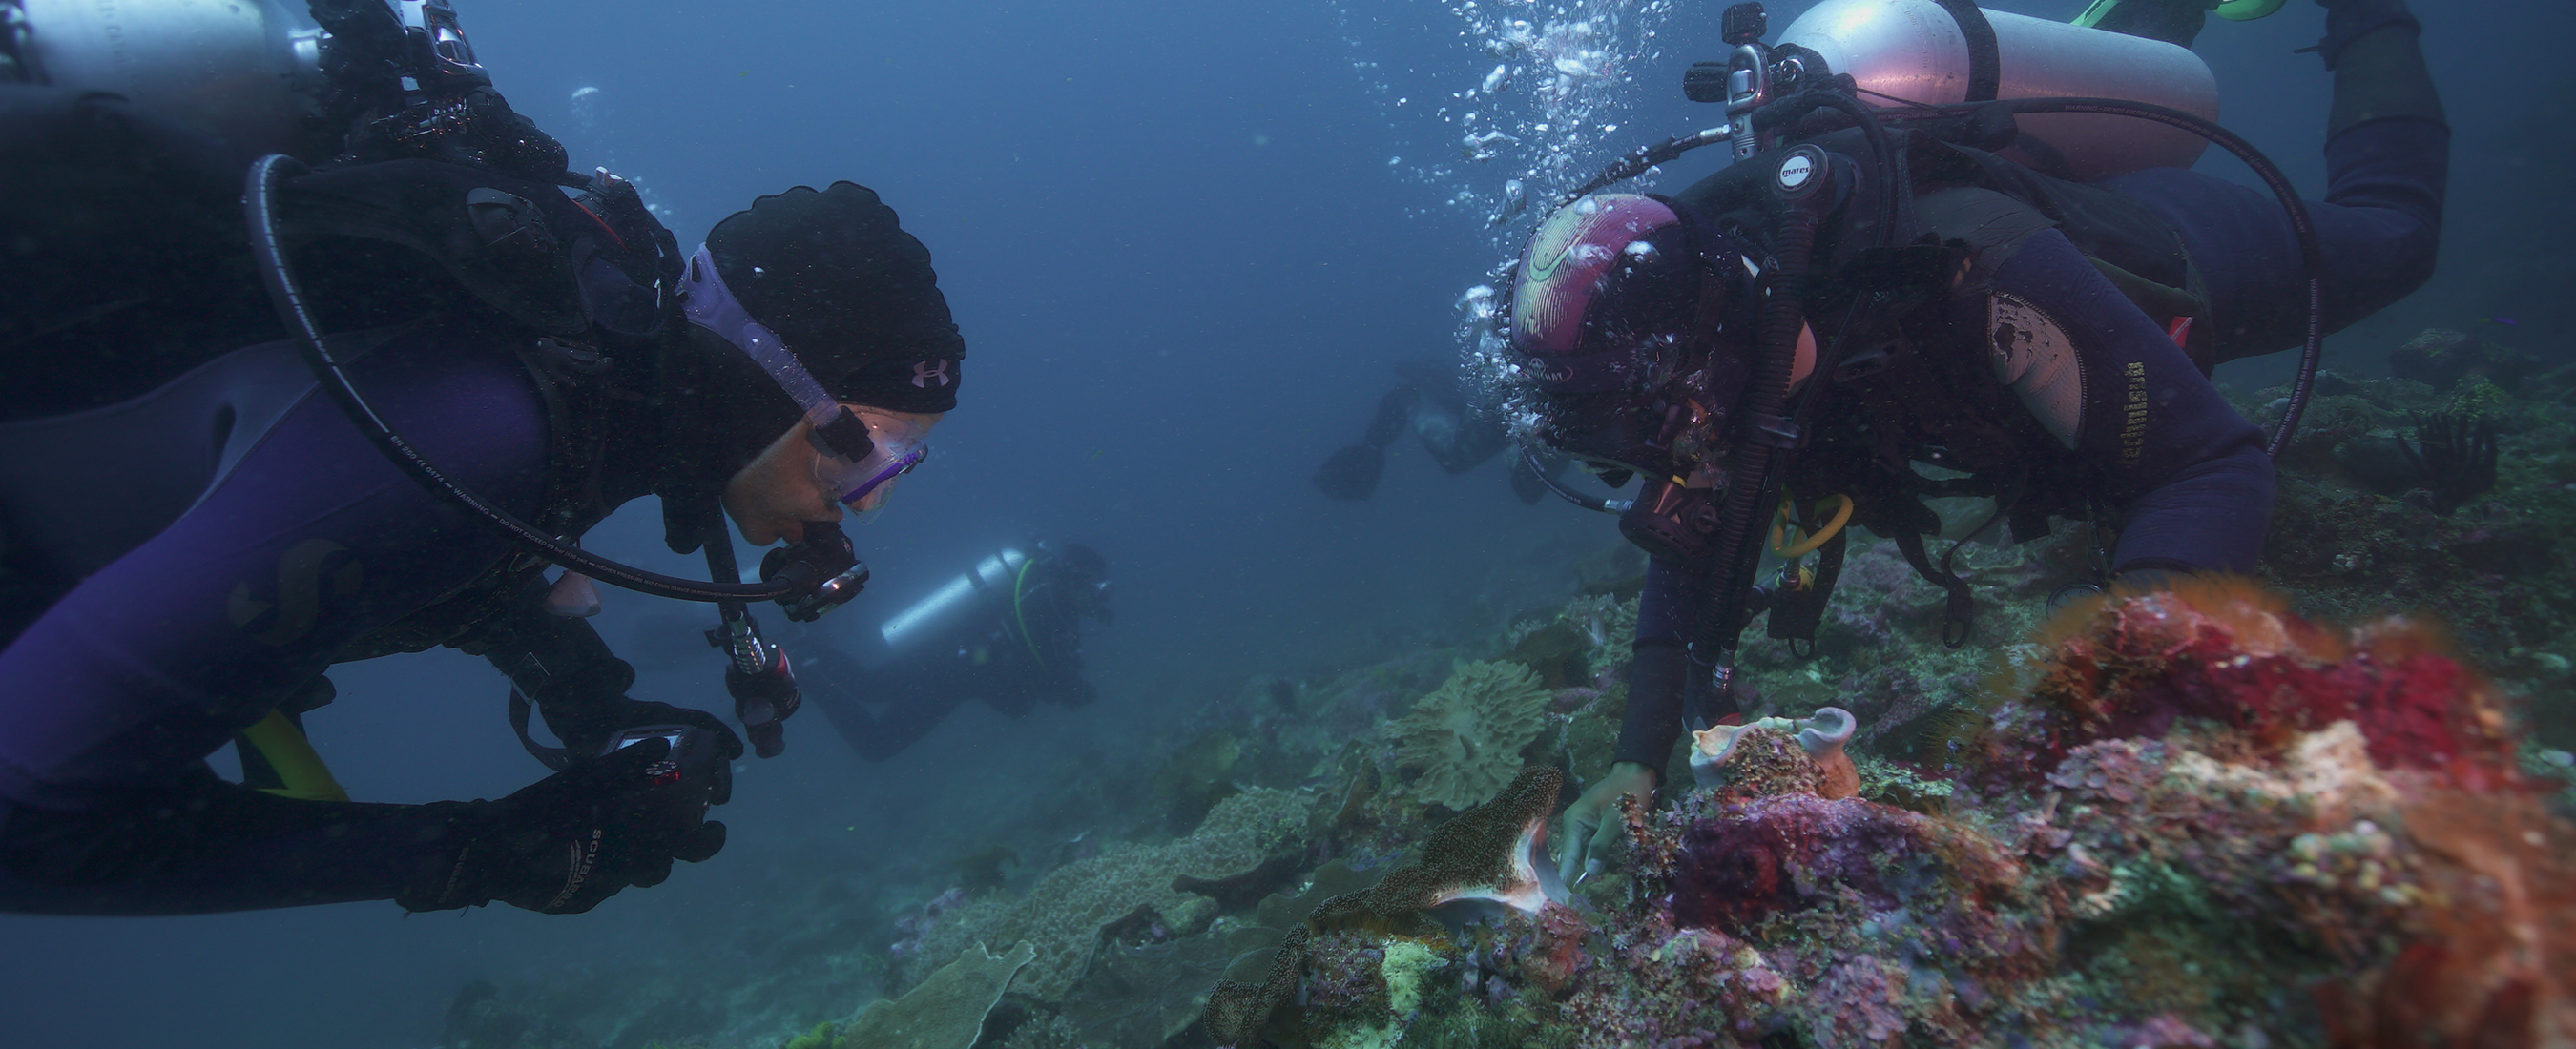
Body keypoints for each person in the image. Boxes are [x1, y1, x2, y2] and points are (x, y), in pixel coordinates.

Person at [0, 1, 967, 915]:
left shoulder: (583, 370)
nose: (871, 504)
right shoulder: (487, 439)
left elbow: (463, 556)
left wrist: (604, 713)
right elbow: (21, 814)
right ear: (780, 389)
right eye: (872, 458)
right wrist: (477, 851)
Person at [1541, 0, 2445, 878]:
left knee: (2397, 240)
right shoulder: (1724, 358)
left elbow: (2209, 464)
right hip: (2027, 196)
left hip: (2164, 249)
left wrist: (2117, 681)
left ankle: (2368, 13)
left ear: (1712, 363)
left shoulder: (1977, 264)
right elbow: (1694, 545)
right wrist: (1639, 761)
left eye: (1666, 436)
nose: (1676, 470)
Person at [791, 542, 1112, 762]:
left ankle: (800, 660)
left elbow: (1030, 678)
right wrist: (1072, 687)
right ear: (1075, 581)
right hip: (946, 667)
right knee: (872, 721)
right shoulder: (1042, 603)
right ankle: (797, 660)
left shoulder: (1056, 612)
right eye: (1097, 588)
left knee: (870, 705)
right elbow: (1046, 669)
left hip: (950, 674)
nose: (1100, 599)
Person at [1314, 360, 1570, 505]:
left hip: (1560, 402)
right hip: (1550, 398)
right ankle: (1415, 398)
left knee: (1524, 484)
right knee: (1462, 457)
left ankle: (1423, 396)